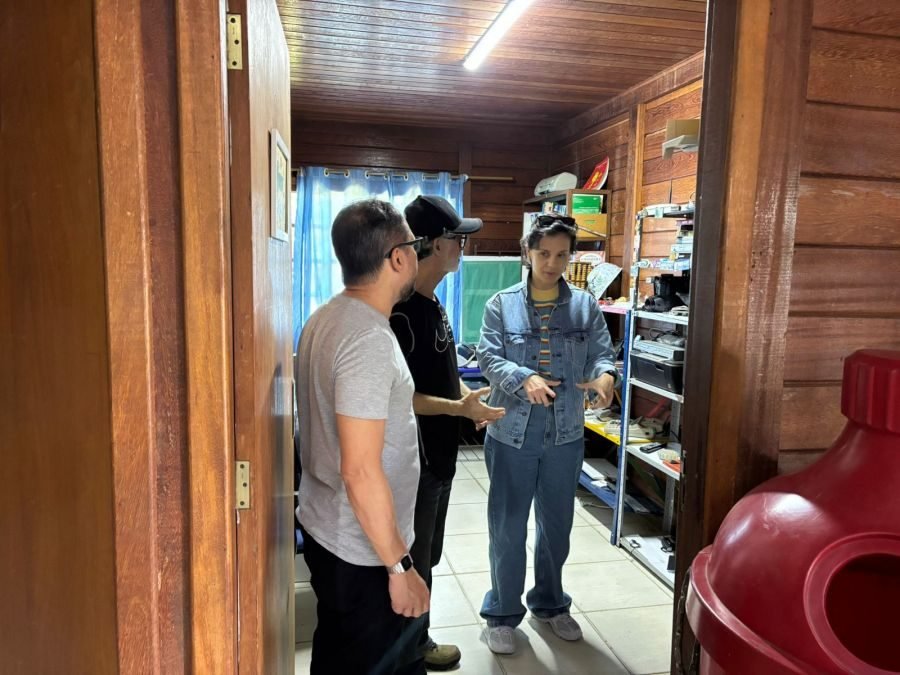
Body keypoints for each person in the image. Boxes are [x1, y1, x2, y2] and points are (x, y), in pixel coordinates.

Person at [296, 199, 430, 675]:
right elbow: (359, 469)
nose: (417, 254)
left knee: (339, 653)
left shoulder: (326, 317)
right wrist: (399, 567)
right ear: (397, 258)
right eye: (414, 245)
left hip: (332, 529)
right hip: (361, 550)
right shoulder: (367, 340)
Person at [475, 214, 618, 655]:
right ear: (527, 252)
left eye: (561, 255)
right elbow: (487, 358)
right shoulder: (501, 304)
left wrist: (605, 377)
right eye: (543, 253)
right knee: (508, 526)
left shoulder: (585, 306)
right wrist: (524, 377)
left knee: (557, 526)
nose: (552, 263)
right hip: (511, 432)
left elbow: (602, 353)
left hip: (566, 433)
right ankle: (502, 613)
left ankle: (551, 603)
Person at [389, 196, 506, 671]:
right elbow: (402, 397)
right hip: (415, 462)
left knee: (429, 556)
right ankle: (409, 651)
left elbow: (442, 374)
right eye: (459, 239)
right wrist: (458, 407)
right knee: (413, 562)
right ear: (435, 244)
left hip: (440, 456)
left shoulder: (434, 301)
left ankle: (417, 640)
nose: (464, 247)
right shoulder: (400, 313)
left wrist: (466, 400)